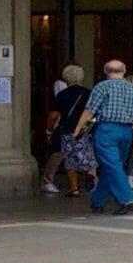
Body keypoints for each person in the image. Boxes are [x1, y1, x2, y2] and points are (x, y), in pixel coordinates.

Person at [81, 57, 133, 214]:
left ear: (105, 71)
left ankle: (127, 199)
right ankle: (97, 201)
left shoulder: (101, 87)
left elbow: (89, 112)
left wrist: (78, 130)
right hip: (126, 131)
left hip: (106, 130)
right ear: (124, 71)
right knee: (113, 166)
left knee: (112, 166)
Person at [47, 65, 94, 200]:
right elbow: (94, 113)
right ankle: (89, 174)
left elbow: (53, 115)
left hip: (67, 129)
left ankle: (74, 189)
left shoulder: (63, 94)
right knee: (86, 155)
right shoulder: (88, 93)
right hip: (84, 129)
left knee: (70, 160)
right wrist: (87, 128)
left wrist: (49, 130)